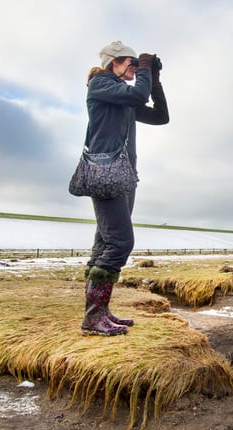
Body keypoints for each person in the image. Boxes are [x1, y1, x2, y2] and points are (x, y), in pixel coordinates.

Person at [80, 40, 169, 336]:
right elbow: (137, 93)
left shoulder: (123, 98)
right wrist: (144, 70)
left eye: (135, 64)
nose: (134, 69)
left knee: (106, 243)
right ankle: (93, 318)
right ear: (113, 62)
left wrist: (153, 80)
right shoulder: (101, 85)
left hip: (124, 174)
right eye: (130, 63)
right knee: (120, 243)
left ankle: (99, 313)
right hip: (105, 172)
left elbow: (160, 116)